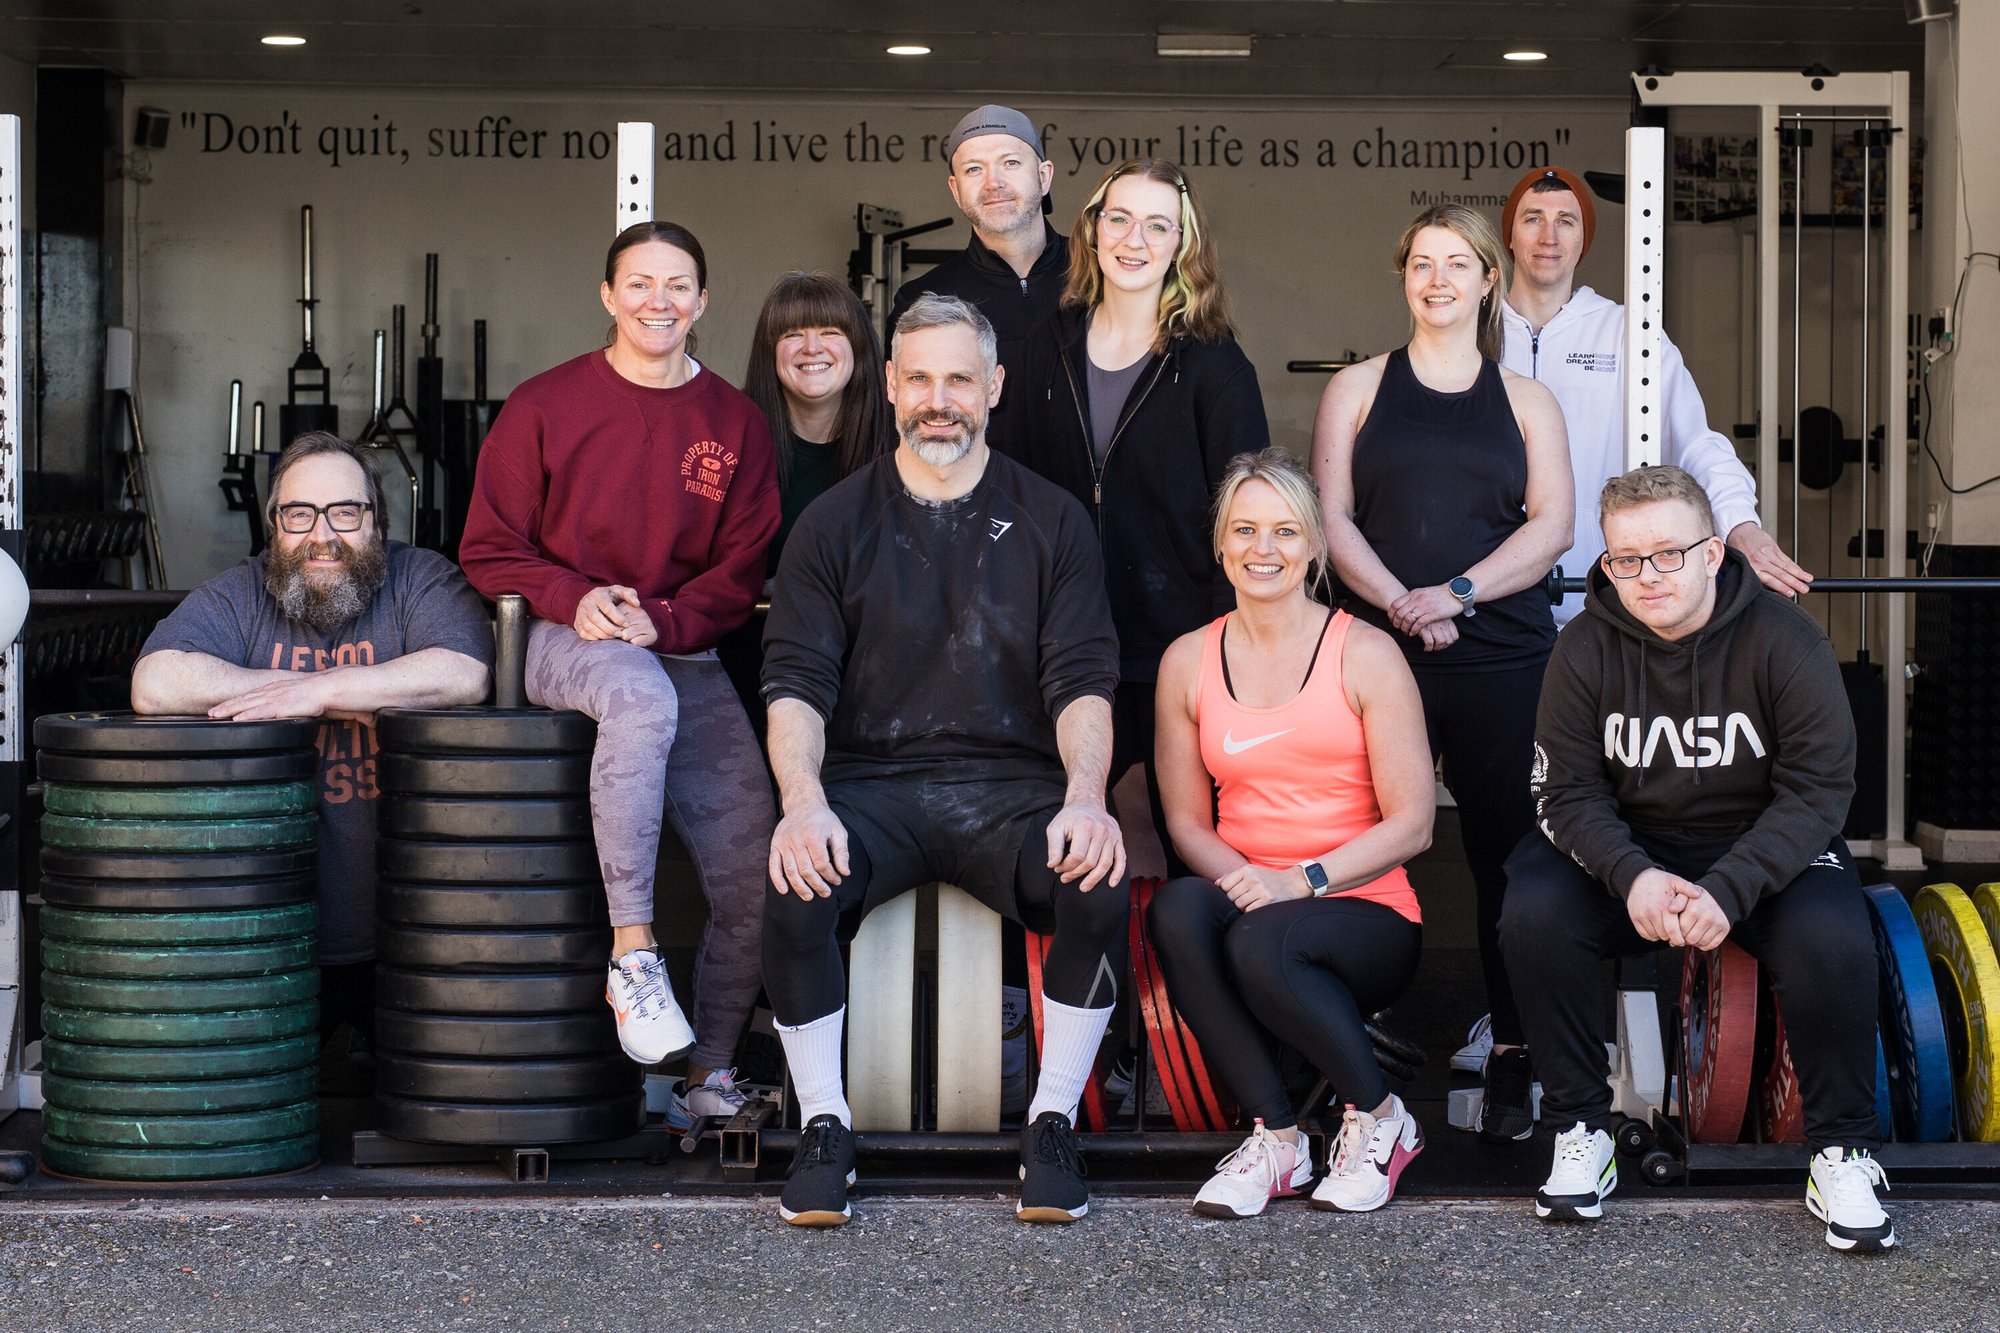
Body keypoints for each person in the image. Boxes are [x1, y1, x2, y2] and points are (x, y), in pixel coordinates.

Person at [759, 294, 1127, 1227]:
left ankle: (1050, 1123)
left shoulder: (1052, 520)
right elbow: (794, 682)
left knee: (1095, 878)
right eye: (918, 377)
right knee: (794, 880)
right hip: (870, 789)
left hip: (1012, 794)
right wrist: (801, 803)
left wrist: (1086, 798)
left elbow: (1083, 676)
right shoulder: (833, 523)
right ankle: (824, 1125)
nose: (939, 399)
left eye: (959, 377)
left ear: (994, 387)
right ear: (887, 386)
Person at [1500, 464, 1892, 1252]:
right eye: (1627, 558)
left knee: (1833, 936)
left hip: (1759, 847)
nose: (1648, 575)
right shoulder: (1582, 648)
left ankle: (1842, 1151)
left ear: (1714, 553)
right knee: (1532, 908)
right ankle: (1582, 1130)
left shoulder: (1786, 641)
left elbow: (1819, 791)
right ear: (1605, 563)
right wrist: (1631, 873)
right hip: (1630, 848)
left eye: (1669, 553)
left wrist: (1731, 886)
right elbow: (1564, 791)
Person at [458, 220, 780, 1123]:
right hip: (564, 638)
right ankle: (633, 953)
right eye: (639, 285)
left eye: (678, 285)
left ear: (704, 301)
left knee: (757, 876)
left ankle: (709, 1075)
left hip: (684, 646)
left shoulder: (734, 422)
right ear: (607, 296)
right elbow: (487, 547)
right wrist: (575, 595)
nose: (659, 302)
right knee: (635, 691)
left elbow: (743, 568)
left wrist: (669, 618)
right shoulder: (545, 404)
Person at [1311, 202, 1573, 1143]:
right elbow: (1331, 521)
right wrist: (1401, 603)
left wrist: (1454, 593)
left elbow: (1552, 528)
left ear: (1487, 278)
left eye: (1457, 263)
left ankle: (1513, 1050)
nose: (1438, 279)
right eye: (1422, 262)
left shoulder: (1528, 400)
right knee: (1356, 842)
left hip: (1504, 656)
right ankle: (1340, 1043)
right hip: (1379, 654)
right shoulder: (1358, 388)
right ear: (1404, 277)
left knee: (1510, 856)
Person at [1148, 449, 1434, 1218]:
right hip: (1255, 896)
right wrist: (1250, 882)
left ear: (1312, 546)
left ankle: (1380, 1118)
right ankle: (1279, 1137)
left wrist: (1295, 882)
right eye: (1243, 529)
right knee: (1176, 909)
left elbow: (1414, 823)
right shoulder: (1188, 661)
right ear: (1220, 544)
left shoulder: (1365, 652)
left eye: (1283, 531)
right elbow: (1184, 821)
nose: (1261, 549)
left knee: (1263, 941)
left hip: (1365, 912)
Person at [131, 431, 492, 1040]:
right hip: (262, 947)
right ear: (275, 525)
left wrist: (319, 691)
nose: (322, 535)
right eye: (300, 514)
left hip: (419, 945)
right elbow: (154, 681)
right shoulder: (241, 593)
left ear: (375, 522)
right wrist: (318, 687)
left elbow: (467, 671)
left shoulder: (421, 581)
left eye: (345, 513)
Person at [1013, 158, 1270, 879]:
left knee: (1195, 845)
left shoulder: (1216, 365)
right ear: (1091, 231)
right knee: (1056, 849)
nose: (1135, 239)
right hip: (1061, 642)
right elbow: (1009, 491)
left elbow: (1245, 516)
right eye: (1119, 219)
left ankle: (1194, 990)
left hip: (1179, 646)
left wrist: (1232, 646)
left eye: (1158, 225)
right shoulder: (1045, 348)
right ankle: (1066, 996)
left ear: (1182, 245)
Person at [1499, 166, 1811, 622]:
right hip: (1490, 600)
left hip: (1602, 598)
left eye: (1566, 221)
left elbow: (1697, 443)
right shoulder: (1473, 332)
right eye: (1532, 219)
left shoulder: (1627, 331)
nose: (1549, 236)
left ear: (1583, 242)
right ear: (1509, 236)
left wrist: (1741, 525)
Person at [719, 272, 896, 733]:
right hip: (747, 666)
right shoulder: (729, 436)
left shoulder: (903, 441)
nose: (811, 347)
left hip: (872, 672)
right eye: (792, 334)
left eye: (831, 333)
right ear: (769, 353)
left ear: (858, 346)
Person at [886, 104, 1065, 454]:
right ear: (955, 189)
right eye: (973, 169)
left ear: (1044, 177)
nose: (992, 183)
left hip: (1091, 506)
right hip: (976, 503)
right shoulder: (924, 300)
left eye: (1010, 163)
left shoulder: (1102, 277)